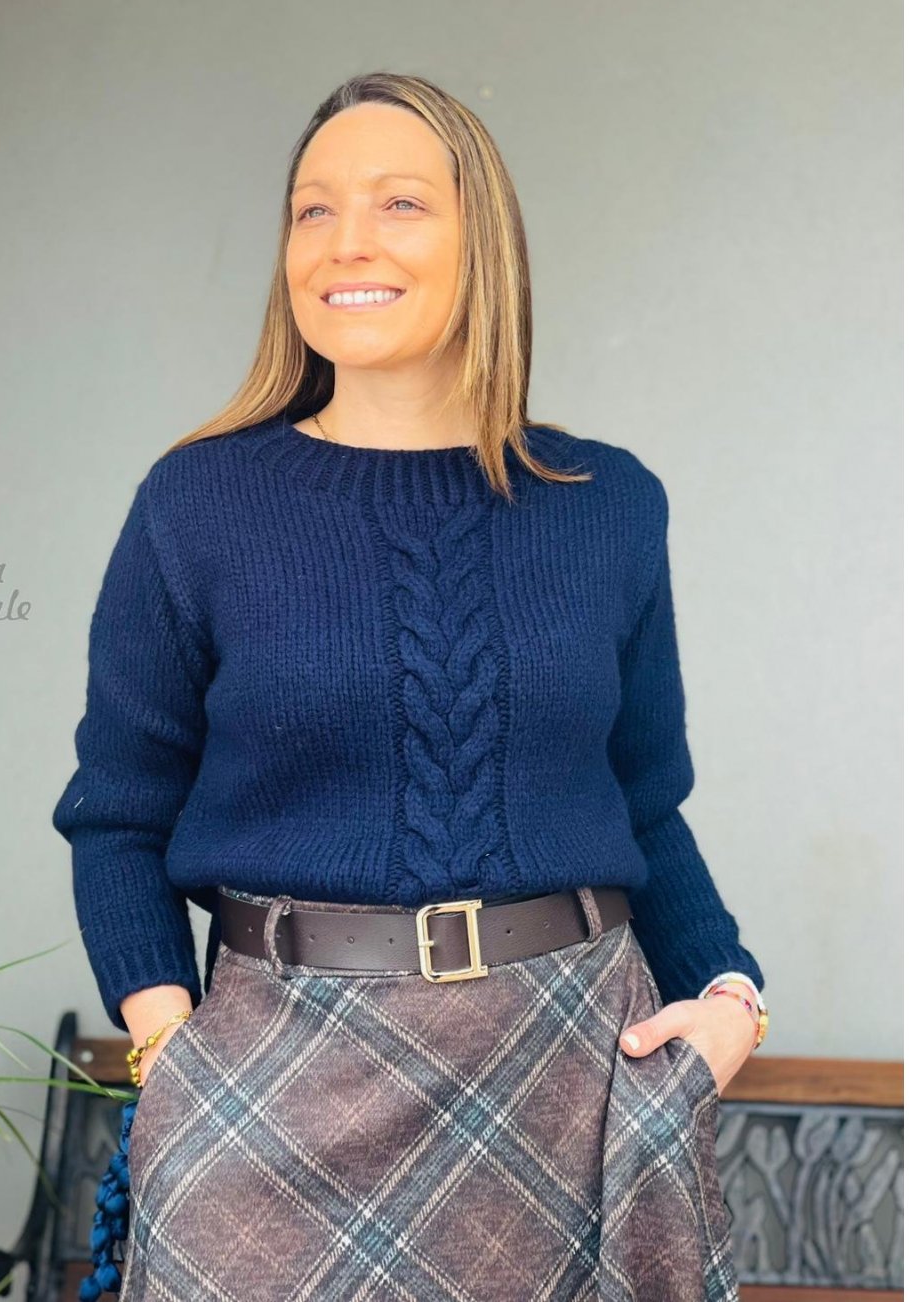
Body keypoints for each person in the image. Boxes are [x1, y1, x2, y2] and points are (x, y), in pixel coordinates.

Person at [53, 72, 768, 1302]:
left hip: (569, 1078)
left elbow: (644, 803)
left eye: (398, 203)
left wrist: (731, 998)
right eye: (312, 209)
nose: (347, 242)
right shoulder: (196, 505)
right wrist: (169, 1047)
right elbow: (117, 814)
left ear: (480, 240)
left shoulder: (607, 506)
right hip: (271, 1078)